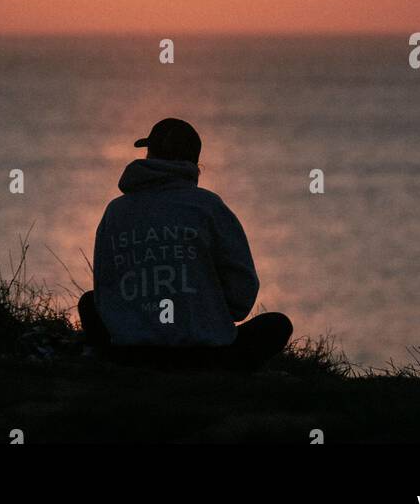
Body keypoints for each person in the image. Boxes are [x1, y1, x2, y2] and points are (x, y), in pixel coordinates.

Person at [78, 117, 292, 370]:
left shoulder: (115, 211)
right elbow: (241, 296)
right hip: (204, 357)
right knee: (277, 325)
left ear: (150, 155)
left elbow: (105, 291)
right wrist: (202, 308)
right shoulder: (209, 207)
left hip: (132, 354)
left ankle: (109, 361)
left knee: (89, 302)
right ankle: (222, 376)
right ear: (194, 163)